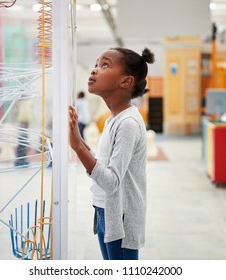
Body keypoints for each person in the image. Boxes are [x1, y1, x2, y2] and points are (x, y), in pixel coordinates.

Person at [68, 47, 155, 260]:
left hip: (120, 220)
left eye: (104, 65)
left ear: (126, 82)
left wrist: (79, 148)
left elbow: (111, 182)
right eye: (97, 64)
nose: (95, 70)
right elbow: (103, 162)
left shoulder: (128, 124)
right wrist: (78, 141)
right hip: (104, 211)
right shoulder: (113, 119)